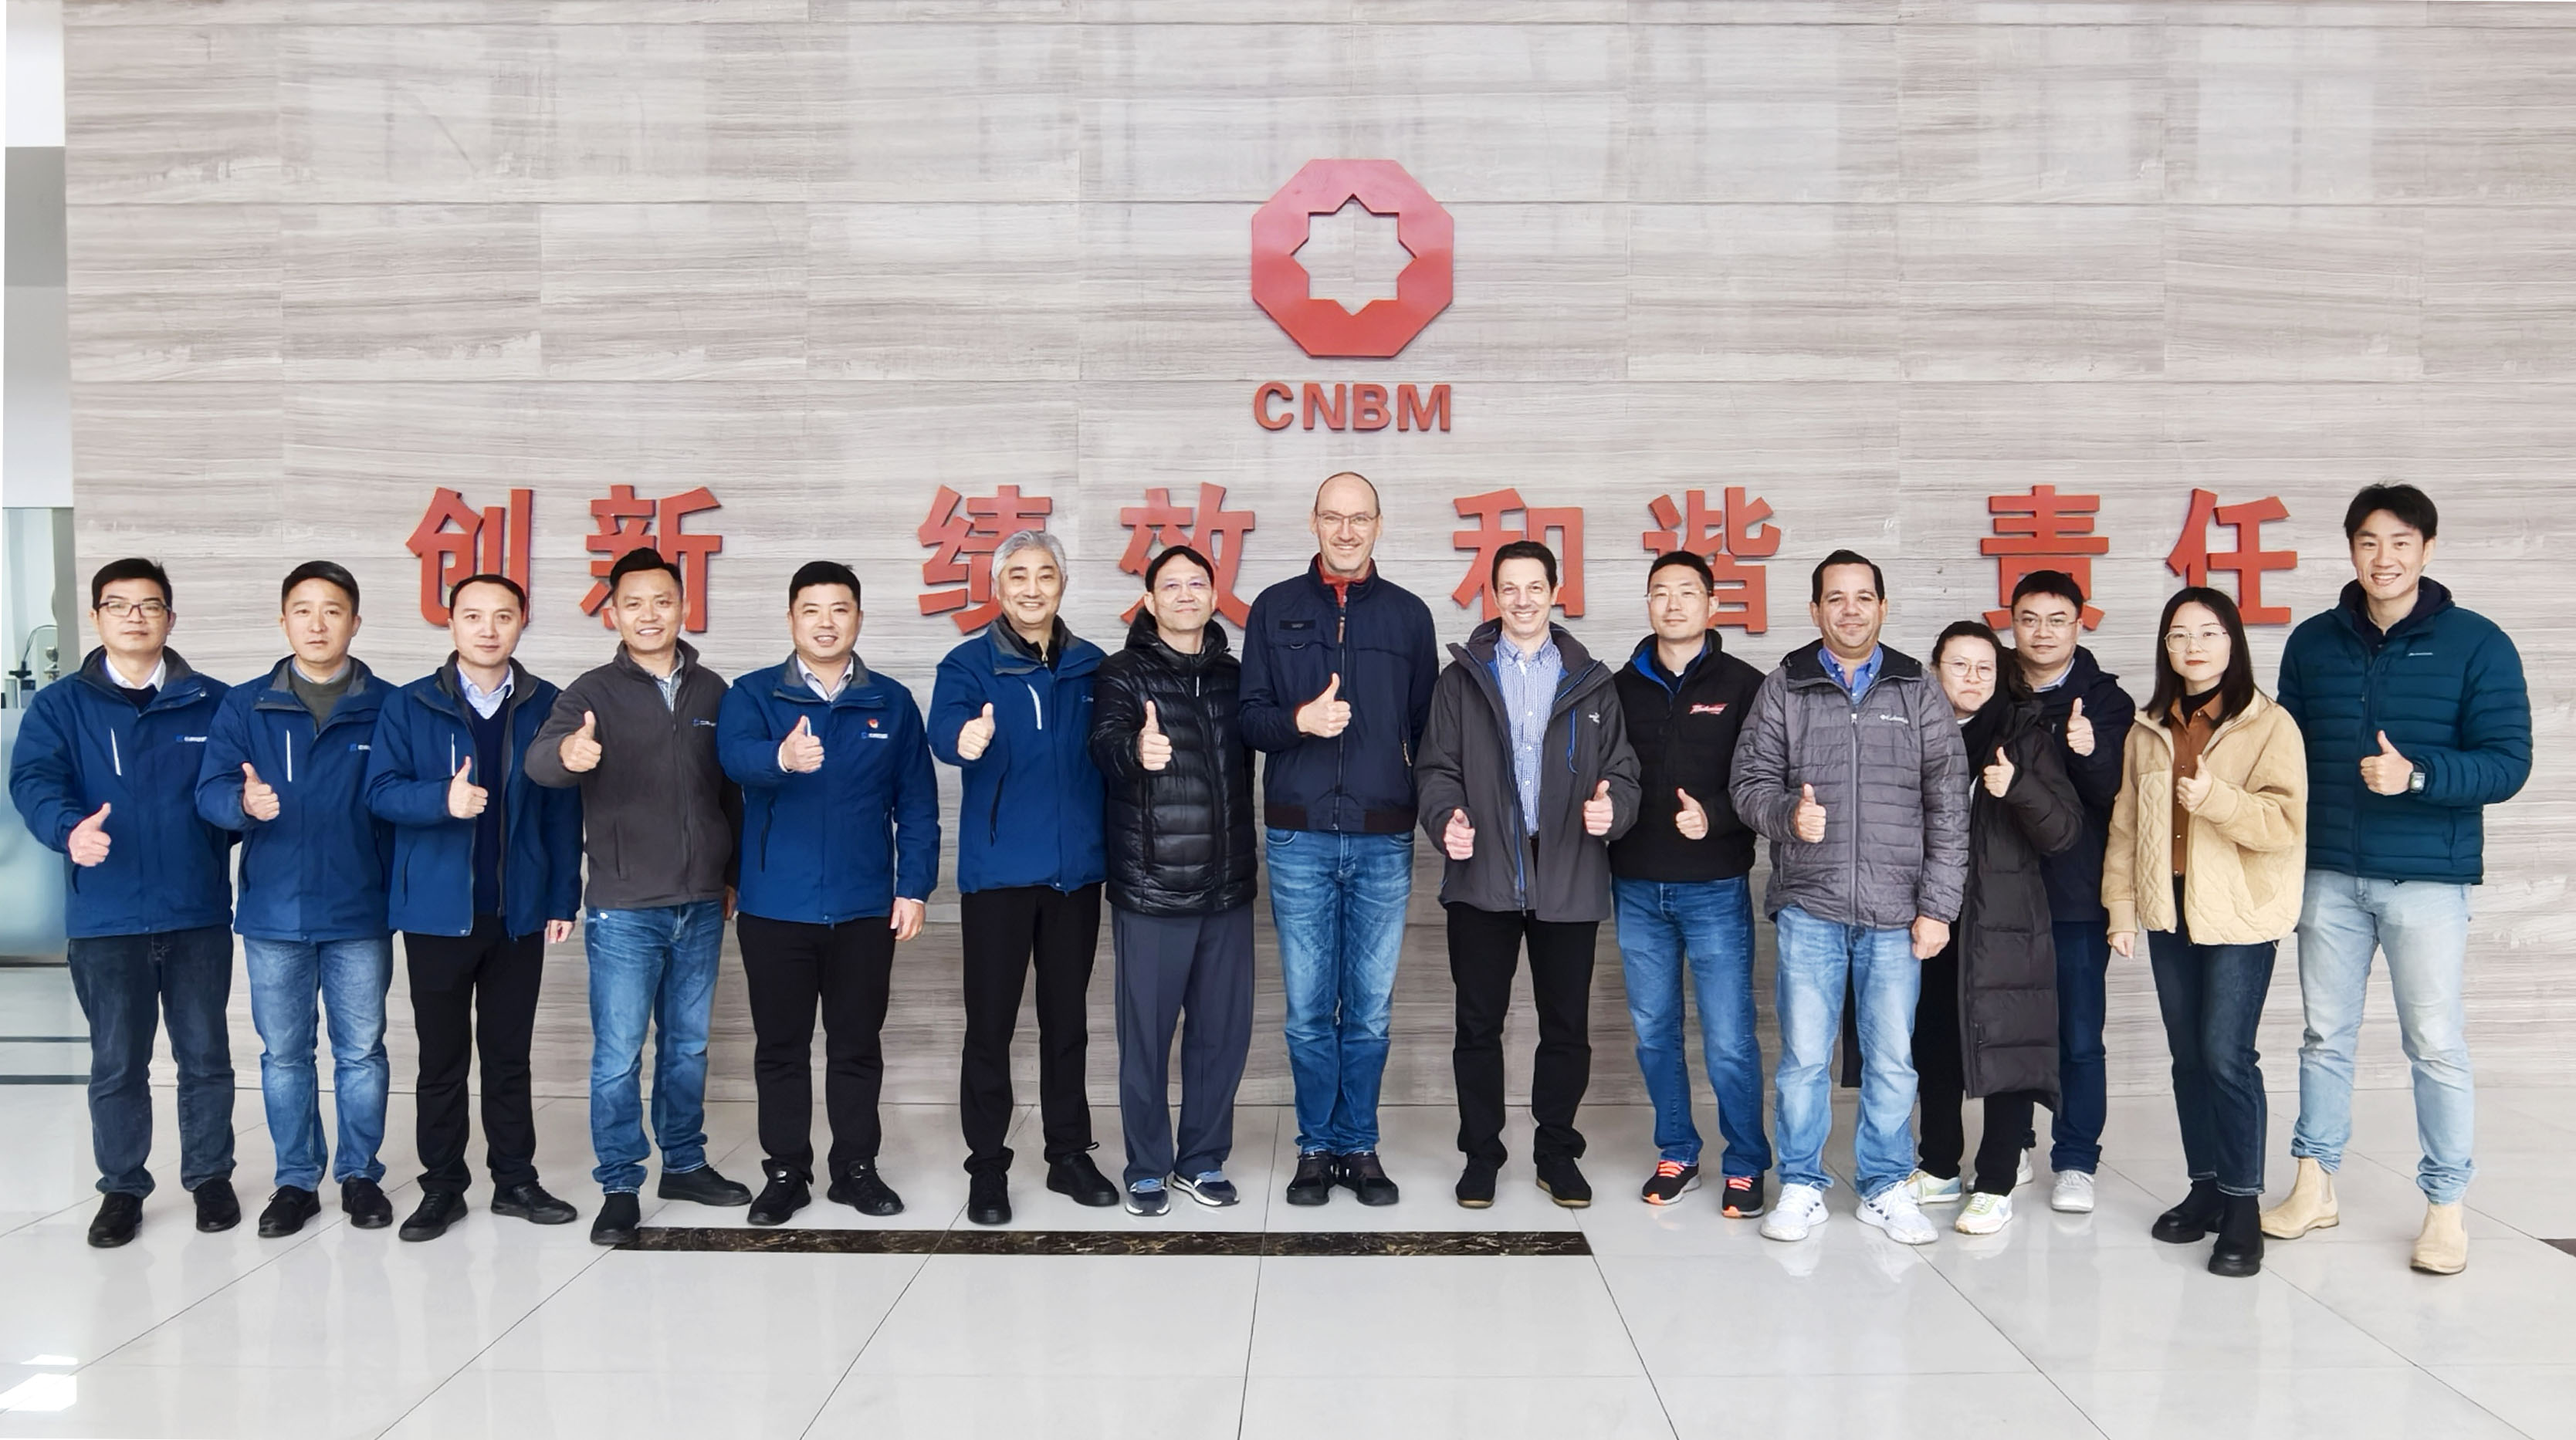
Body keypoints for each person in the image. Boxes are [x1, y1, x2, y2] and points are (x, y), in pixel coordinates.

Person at [2266, 485, 2530, 1276]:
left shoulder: (2478, 643)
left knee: (2434, 1044)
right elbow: (2283, 756)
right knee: (2323, 1037)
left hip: (2425, 879)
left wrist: (2416, 776)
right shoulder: (2311, 643)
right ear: (2350, 548)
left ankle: (2445, 1209)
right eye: (2368, 542)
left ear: (2427, 549)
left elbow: (2507, 763)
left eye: (2400, 542)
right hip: (2328, 873)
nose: (2383, 558)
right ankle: (2313, 1186)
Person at [1731, 550, 1968, 1247]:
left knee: (1892, 1059)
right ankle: (1801, 1184)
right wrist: (1787, 817)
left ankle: (1885, 1185)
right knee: (1805, 1059)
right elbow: (1748, 784)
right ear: (1814, 610)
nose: (1850, 610)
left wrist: (1938, 907)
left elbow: (1948, 806)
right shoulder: (1785, 686)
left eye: (1863, 597)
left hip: (1897, 911)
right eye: (1835, 598)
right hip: (1811, 904)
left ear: (1882, 607)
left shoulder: (1917, 689)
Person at [10, 559, 239, 1247]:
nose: (135, 617)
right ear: (96, 617)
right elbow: (34, 780)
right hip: (106, 916)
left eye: (149, 605)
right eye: (119, 605)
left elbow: (234, 790)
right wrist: (67, 831)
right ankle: (122, 1188)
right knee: (117, 1063)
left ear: (171, 617)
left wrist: (241, 813)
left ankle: (210, 1177)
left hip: (196, 910)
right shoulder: (61, 706)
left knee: (206, 1057)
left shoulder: (215, 702)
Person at [528, 547, 751, 1246]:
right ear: (613, 614)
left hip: (701, 901)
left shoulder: (715, 691)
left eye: (662, 600)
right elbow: (541, 761)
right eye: (633, 603)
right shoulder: (590, 693)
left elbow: (730, 792)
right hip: (624, 907)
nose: (649, 614)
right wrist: (568, 755)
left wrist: (732, 873)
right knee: (620, 1054)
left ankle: (683, 1163)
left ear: (683, 606)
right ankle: (620, 1183)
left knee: (688, 1047)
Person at [1237, 472, 1439, 1207]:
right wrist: (1300, 722)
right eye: (1332, 517)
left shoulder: (1410, 616)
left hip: (1384, 837)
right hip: (1300, 837)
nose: (1345, 531)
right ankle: (1315, 1148)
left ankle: (1360, 1144)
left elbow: (1429, 732)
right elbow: (1248, 718)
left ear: (1378, 525)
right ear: (1313, 522)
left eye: (1359, 518)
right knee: (1307, 1011)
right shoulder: (1274, 608)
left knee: (1370, 1010)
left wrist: (1432, 808)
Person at [1417, 540, 1639, 1208]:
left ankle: (1556, 1153)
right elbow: (1435, 769)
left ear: (1554, 592)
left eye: (1534, 587)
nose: (1521, 600)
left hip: (1568, 869)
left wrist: (1614, 810)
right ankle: (1481, 1155)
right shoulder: (1460, 679)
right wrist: (1445, 818)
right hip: (1483, 869)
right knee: (1477, 1024)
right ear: (1494, 595)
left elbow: (1623, 771)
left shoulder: (1591, 680)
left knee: (1565, 1027)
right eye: (1508, 588)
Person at [364, 573, 584, 1242]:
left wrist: (561, 897)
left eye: (503, 616)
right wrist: (442, 799)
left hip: (517, 912)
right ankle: (443, 1186)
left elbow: (561, 811)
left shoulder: (549, 704)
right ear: (450, 622)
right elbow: (379, 793)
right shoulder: (409, 705)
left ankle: (515, 1180)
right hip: (436, 914)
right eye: (473, 616)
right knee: (442, 1059)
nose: (488, 629)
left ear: (522, 622)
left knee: (509, 1055)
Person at [717, 562, 939, 1226]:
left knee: (856, 1045)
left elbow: (917, 803)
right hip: (774, 907)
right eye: (810, 610)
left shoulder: (891, 702)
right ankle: (786, 1171)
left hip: (864, 908)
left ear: (858, 619)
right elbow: (732, 759)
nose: (825, 622)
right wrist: (780, 760)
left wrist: (914, 887)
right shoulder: (753, 694)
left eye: (839, 609)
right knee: (780, 1048)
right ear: (790, 619)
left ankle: (856, 1169)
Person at [2104, 587, 2307, 1279]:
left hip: (2241, 913)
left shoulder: (2268, 725)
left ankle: (2243, 1205)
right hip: (2170, 910)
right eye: (2178, 634)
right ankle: (2206, 1188)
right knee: (2188, 1057)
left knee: (2226, 1056)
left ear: (2232, 642)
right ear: (2165, 647)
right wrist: (2121, 908)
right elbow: (2125, 826)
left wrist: (2216, 799)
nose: (2193, 646)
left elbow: (2283, 826)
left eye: (2209, 632)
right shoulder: (2147, 728)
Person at [195, 561, 397, 1239]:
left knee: (361, 1052)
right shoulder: (244, 705)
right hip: (274, 913)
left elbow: (403, 799)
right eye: (303, 610)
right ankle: (296, 1181)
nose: (317, 623)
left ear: (355, 622)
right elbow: (209, 793)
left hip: (360, 909)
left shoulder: (389, 705)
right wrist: (241, 803)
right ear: (283, 621)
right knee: (284, 1055)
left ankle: (360, 1175)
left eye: (332, 610)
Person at [929, 529, 1116, 1225]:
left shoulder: (1094, 665)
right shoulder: (967, 664)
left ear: (1061, 585)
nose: (1031, 589)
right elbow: (943, 732)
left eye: (1044, 575)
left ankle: (1068, 1154)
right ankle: (987, 1166)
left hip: (1077, 875)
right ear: (996, 588)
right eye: (1017, 576)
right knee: (991, 1027)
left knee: (1067, 1024)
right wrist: (964, 739)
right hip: (999, 876)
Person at [1088, 546, 1260, 1216]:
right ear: (1149, 601)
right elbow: (1102, 745)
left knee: (1221, 1035)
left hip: (1227, 886)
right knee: (1147, 1038)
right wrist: (1137, 749)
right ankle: (1146, 1167)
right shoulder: (1121, 672)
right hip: (1153, 888)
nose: (1185, 594)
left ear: (1215, 597)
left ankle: (1201, 1160)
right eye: (1171, 585)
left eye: (1197, 583)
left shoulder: (1236, 676)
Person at [1606, 551, 1772, 1215]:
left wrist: (1717, 817)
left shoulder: (1745, 686)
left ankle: (1745, 1161)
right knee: (1654, 1032)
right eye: (1659, 593)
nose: (1672, 604)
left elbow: (1766, 780)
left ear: (1711, 605)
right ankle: (1676, 1149)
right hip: (1636, 886)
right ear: (1647, 604)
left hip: (1713, 887)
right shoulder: (1617, 688)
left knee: (1728, 1038)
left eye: (1686, 592)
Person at [1907, 622, 2082, 1236]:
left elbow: (2064, 832)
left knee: (2008, 1047)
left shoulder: (2023, 737)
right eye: (1959, 665)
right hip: (1931, 914)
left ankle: (1996, 1182)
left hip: (2003, 920)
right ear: (1935, 671)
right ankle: (1937, 1166)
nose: (1972, 678)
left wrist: (2019, 788)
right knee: (1933, 1046)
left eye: (1985, 667)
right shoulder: (1914, 732)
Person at [2006, 570, 2135, 1215]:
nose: (2042, 632)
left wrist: (2089, 751)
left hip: (2077, 895)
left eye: (2057, 620)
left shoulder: (2106, 701)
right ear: (2011, 624)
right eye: (2029, 619)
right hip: (2002, 893)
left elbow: (2117, 797)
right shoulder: (1990, 685)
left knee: (2079, 1035)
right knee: (2010, 1029)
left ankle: (2076, 1159)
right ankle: (2012, 1143)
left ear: (2079, 626)